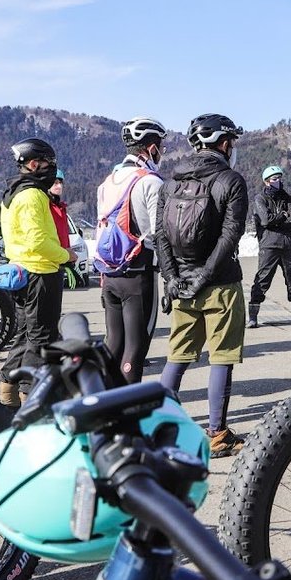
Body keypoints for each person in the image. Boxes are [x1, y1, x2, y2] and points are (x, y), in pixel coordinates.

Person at [156, 114, 247, 458]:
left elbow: (160, 235)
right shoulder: (231, 180)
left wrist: (171, 278)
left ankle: (161, 427)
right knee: (221, 359)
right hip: (219, 284)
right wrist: (206, 275)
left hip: (181, 286)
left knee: (177, 358)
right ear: (224, 144)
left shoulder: (171, 182)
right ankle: (218, 435)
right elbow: (230, 235)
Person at [0, 138, 76, 407]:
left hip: (20, 269)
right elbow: (38, 241)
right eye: (48, 163)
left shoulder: (13, 192)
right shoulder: (32, 195)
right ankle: (31, 397)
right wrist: (67, 255)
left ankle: (7, 390)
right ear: (33, 164)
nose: (52, 169)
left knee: (24, 334)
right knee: (42, 336)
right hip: (40, 272)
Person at [96, 116, 167, 385]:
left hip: (110, 273)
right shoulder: (150, 182)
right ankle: (127, 412)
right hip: (138, 273)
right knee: (136, 349)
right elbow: (159, 233)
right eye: (160, 146)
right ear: (150, 148)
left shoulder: (108, 181)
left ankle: (104, 402)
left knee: (113, 343)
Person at [247, 165, 291, 328]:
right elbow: (265, 220)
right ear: (267, 182)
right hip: (269, 245)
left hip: (288, 244)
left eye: (279, 178)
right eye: (274, 179)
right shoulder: (260, 198)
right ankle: (253, 317)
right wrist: (283, 216)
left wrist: (279, 219)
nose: (278, 181)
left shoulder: (288, 198)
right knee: (263, 279)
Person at [47, 169, 78, 289]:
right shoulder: (47, 206)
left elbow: (64, 233)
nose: (59, 186)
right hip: (51, 258)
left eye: (60, 183)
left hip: (61, 258)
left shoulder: (61, 207)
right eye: (55, 183)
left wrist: (68, 251)